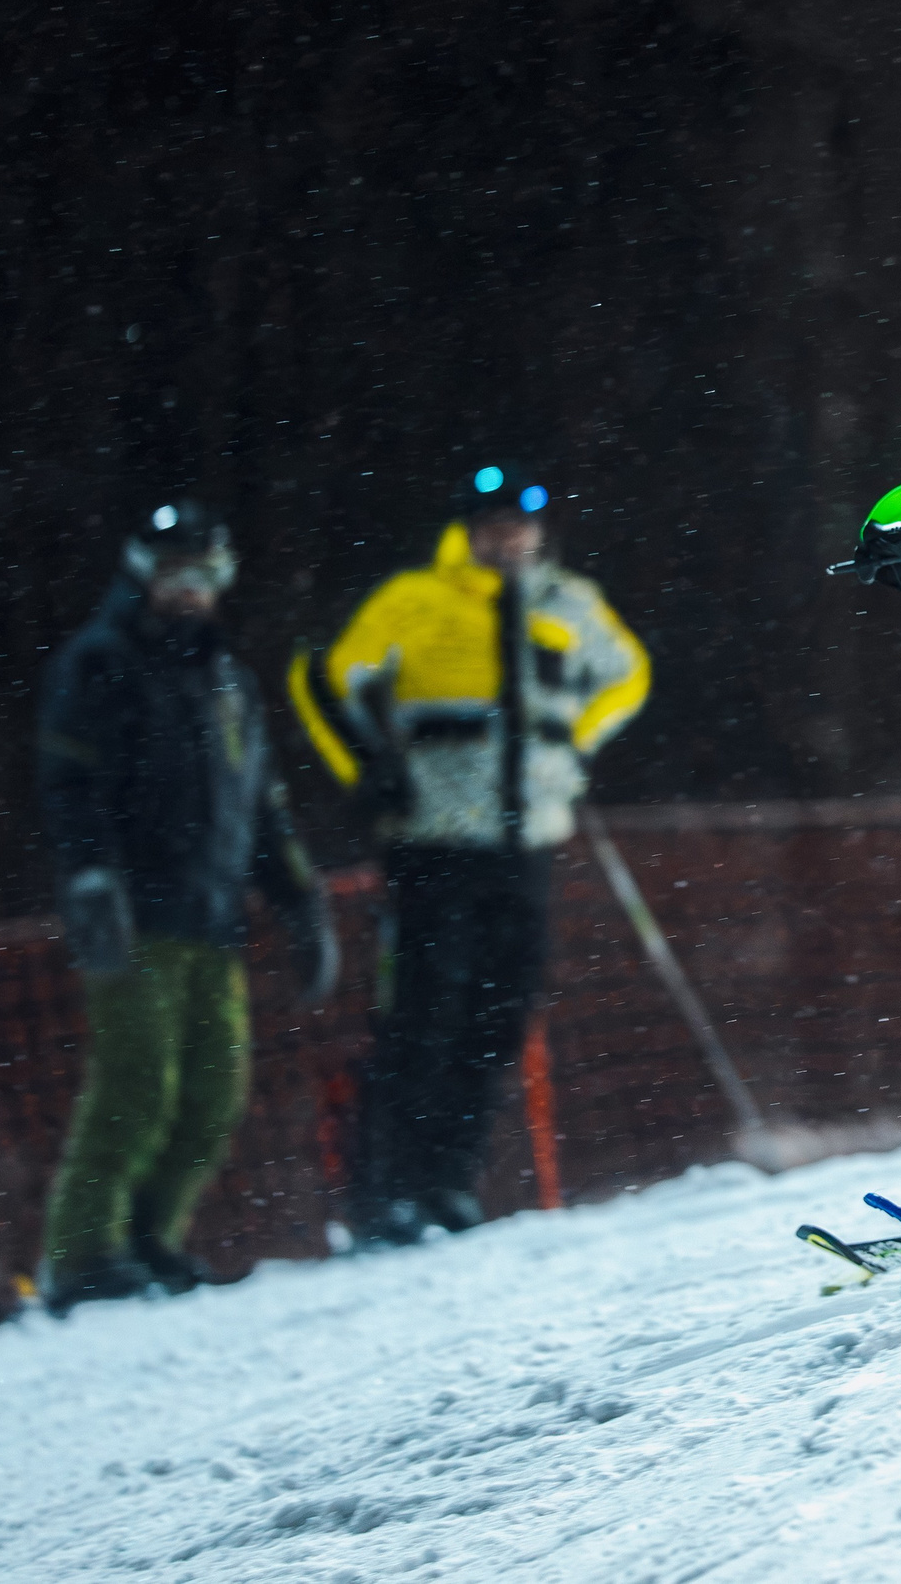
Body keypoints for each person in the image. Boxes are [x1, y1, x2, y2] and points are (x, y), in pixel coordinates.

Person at [289, 466, 648, 1245]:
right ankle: (386, 1194)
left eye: (518, 526)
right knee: (421, 1016)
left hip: (526, 847)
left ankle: (450, 1185)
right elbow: (320, 678)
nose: (507, 539)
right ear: (467, 531)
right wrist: (367, 769)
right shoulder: (414, 600)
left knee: (498, 1017)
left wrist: (576, 743)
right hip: (432, 844)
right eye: (491, 525)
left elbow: (629, 675)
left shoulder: (569, 604)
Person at [38, 500, 337, 1316]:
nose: (189, 589)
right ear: (142, 571)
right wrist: (92, 877)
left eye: (203, 574)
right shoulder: (103, 663)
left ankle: (146, 1238)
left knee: (212, 1093)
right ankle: (80, 1253)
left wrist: (299, 899)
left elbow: (262, 805)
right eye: (174, 572)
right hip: (137, 914)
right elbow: (70, 784)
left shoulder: (227, 677)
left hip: (214, 917)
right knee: (136, 1081)